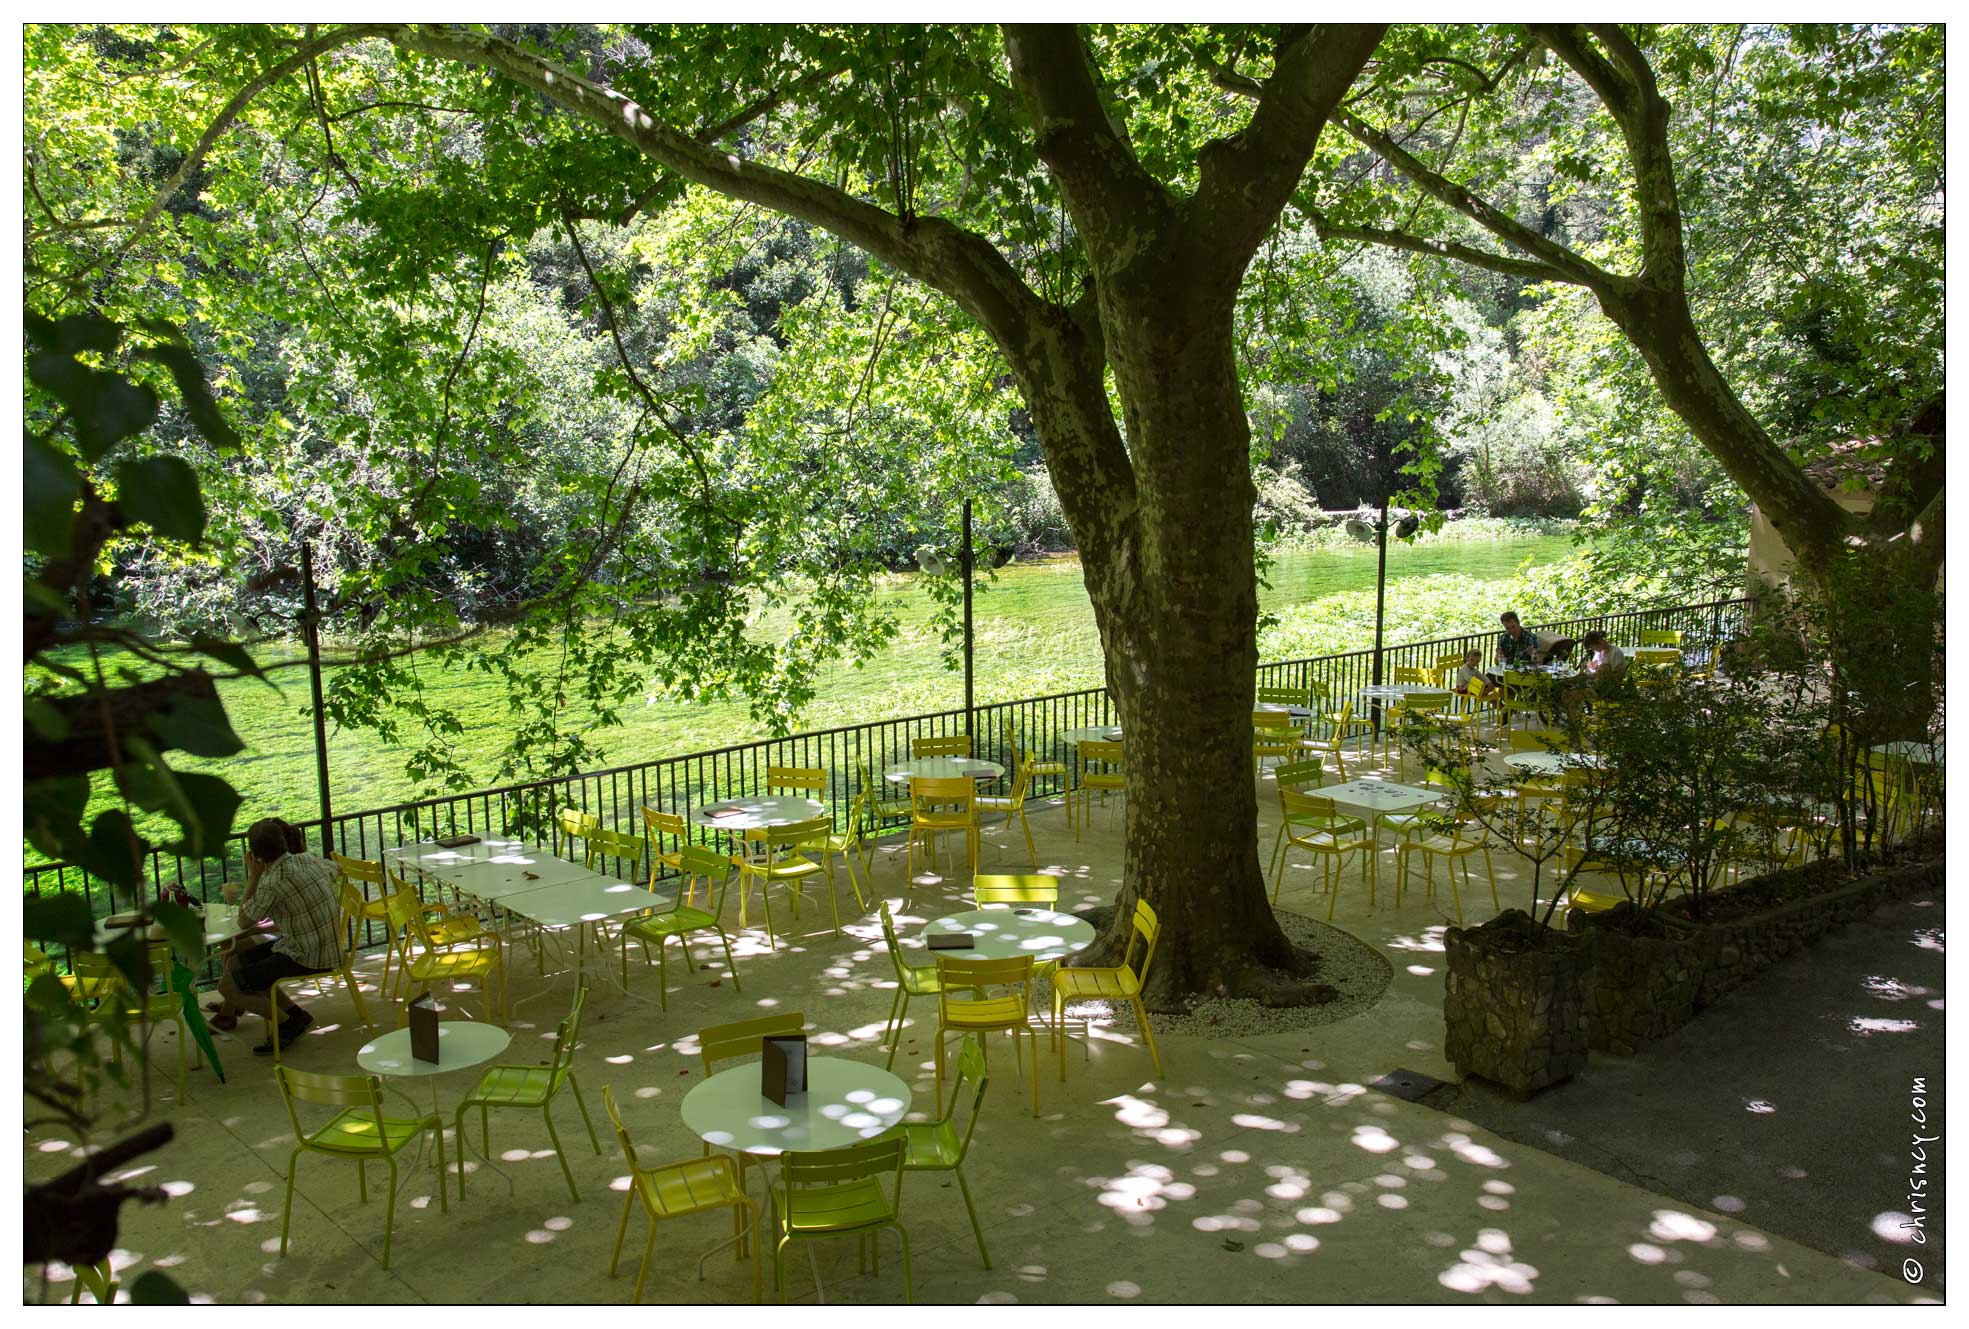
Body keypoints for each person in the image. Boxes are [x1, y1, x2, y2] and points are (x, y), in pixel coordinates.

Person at [211, 818, 343, 1054]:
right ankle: (295, 1014)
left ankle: (287, 1024)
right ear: (283, 841)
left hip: (306, 955)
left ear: (255, 854)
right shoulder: (308, 859)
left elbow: (243, 920)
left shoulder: (272, 882)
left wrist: (253, 877)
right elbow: (337, 869)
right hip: (326, 945)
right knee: (235, 959)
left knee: (228, 987)